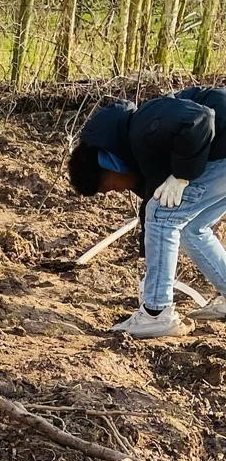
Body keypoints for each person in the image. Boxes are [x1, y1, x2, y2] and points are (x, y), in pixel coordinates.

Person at [68, 86, 226, 338]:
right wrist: (149, 266)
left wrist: (182, 174)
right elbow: (150, 212)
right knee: (190, 228)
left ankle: (156, 313)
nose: (118, 192)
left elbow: (200, 118)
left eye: (109, 187)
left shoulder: (143, 125)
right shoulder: (142, 152)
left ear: (110, 164)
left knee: (163, 216)